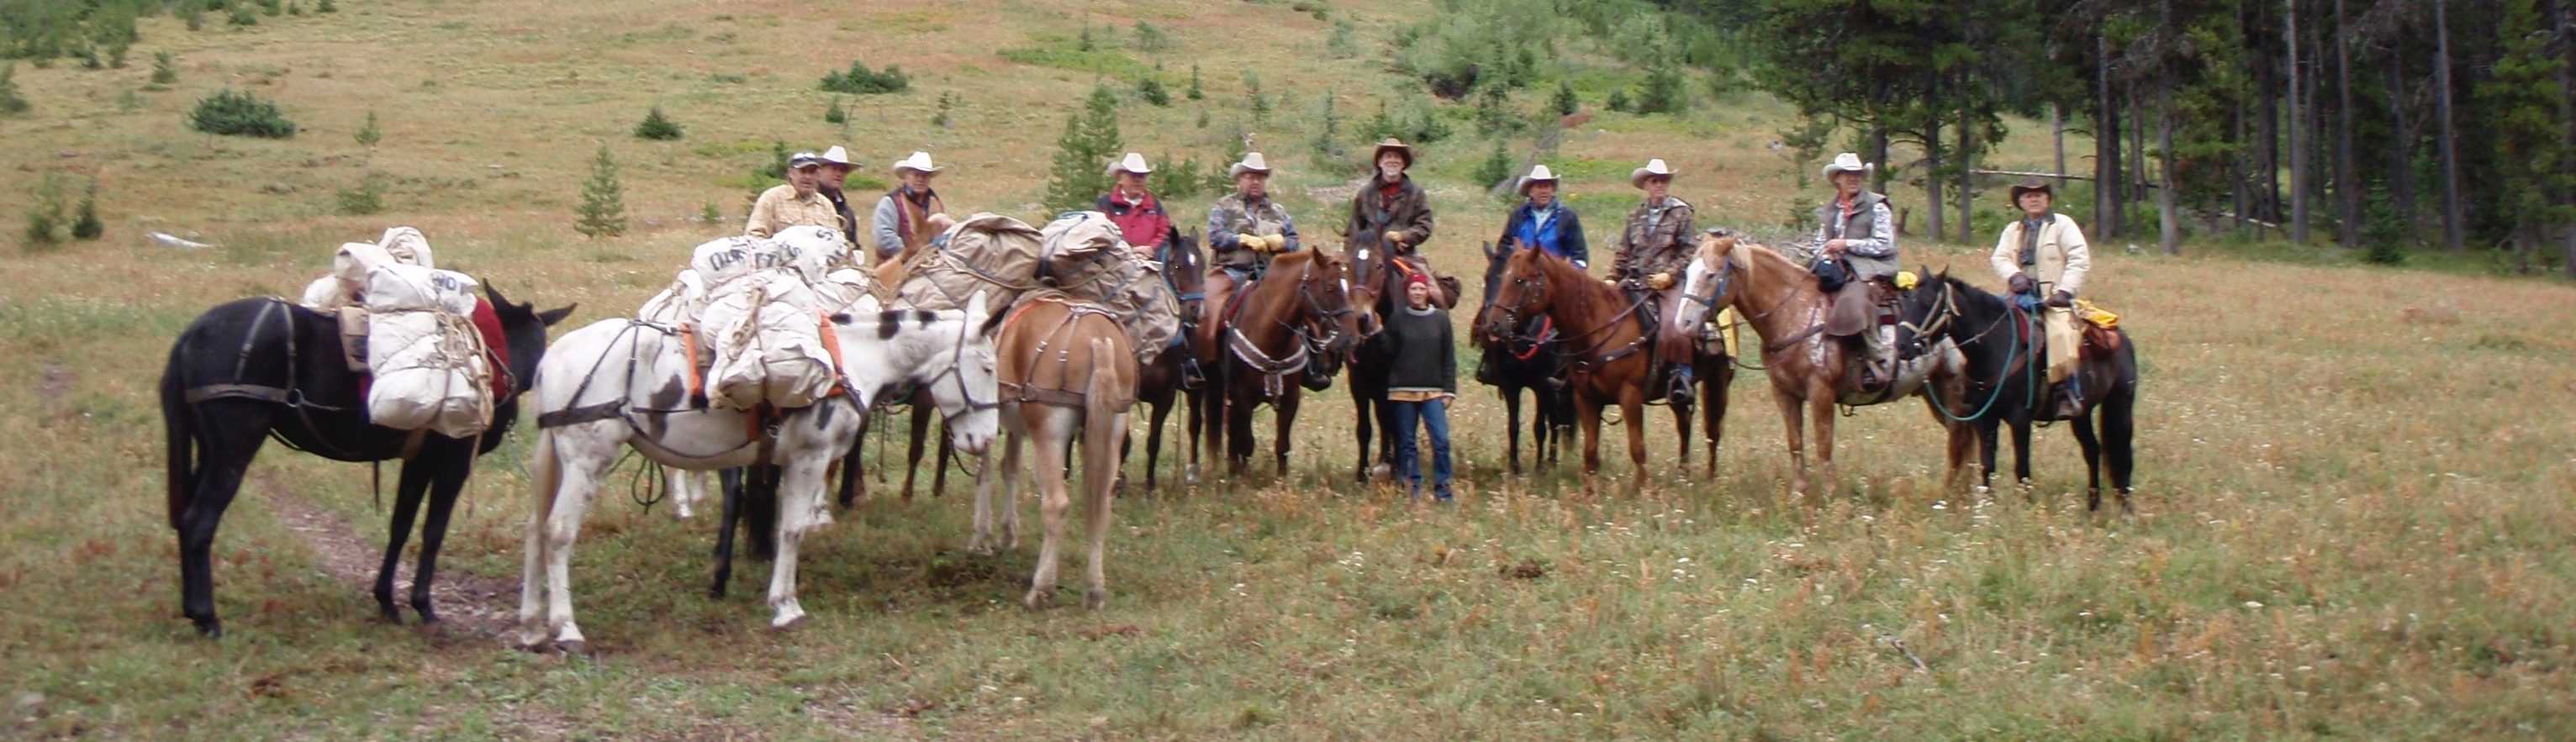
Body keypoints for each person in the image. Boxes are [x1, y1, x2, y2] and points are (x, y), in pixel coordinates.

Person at [1989, 176, 2093, 418]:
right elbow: (2000, 258)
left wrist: (2065, 292)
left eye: (2038, 195)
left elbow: (2079, 258)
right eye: (2028, 196)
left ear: (2047, 199)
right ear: (2020, 202)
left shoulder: (2063, 225)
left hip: (2052, 301)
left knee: (2061, 335)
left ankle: (2067, 391)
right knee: (1988, 327)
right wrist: (2015, 276)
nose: (2033, 199)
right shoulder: (2012, 230)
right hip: (2019, 297)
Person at [1611, 158, 1698, 404]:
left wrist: (1670, 275)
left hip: (1668, 283)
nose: (1659, 185)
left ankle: (1681, 376)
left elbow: (1690, 249)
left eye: (1663, 181)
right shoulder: (1635, 215)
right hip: (1635, 280)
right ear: (1646, 185)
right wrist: (1611, 278)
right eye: (1654, 181)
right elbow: (1624, 251)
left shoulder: (1682, 213)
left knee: (1675, 325)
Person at [1812, 152, 1899, 388]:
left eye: (1857, 174)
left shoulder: (1877, 206)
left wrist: (1847, 245)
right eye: (1848, 174)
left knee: (1853, 300)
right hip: (1838, 267)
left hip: (1871, 266)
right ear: (1837, 179)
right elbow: (1819, 242)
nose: (1853, 179)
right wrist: (1825, 253)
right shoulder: (1831, 209)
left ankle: (1878, 356)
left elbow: (1885, 244)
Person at [1200, 152, 1300, 355]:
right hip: (1231, 271)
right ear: (1239, 179)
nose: (1256, 182)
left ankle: (1311, 364)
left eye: (1260, 177)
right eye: (1250, 177)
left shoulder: (1278, 211)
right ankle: (1203, 360)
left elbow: (1294, 242)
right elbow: (1215, 236)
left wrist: (1281, 243)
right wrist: (1241, 240)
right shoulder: (1224, 206)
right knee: (1208, 306)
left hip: (1271, 274)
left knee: (1301, 304)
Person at [1378, 271, 1455, 502]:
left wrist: (1449, 390)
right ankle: (1412, 489)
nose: (1418, 293)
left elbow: (1449, 357)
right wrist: (1376, 333)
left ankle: (1443, 490)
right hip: (1403, 392)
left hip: (1433, 392)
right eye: (1413, 289)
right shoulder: (1397, 319)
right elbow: (1388, 353)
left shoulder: (1441, 319)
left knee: (1441, 441)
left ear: (1428, 292)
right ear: (1407, 292)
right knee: (1407, 443)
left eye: (1421, 289)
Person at [1345, 138, 1440, 302]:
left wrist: (1404, 236)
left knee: (1433, 293)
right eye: (1388, 156)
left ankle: (1436, 321)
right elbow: (1353, 228)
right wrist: (1349, 255)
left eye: (1397, 157)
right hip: (1368, 259)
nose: (1393, 160)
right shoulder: (1365, 193)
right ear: (1380, 162)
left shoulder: (1416, 193)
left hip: (1402, 255)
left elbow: (1425, 224)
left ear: (1403, 163)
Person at [1497, 165, 1586, 269]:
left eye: (1547, 186)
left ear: (1552, 190)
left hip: (1554, 278)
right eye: (1539, 187)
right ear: (1531, 192)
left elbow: (1580, 255)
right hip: (1522, 275)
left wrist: (1569, 275)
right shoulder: (1518, 215)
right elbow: (1505, 247)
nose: (1544, 191)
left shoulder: (1567, 217)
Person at [872, 150, 948, 264]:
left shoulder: (936, 204)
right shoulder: (890, 203)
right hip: (894, 266)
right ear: (907, 176)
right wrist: (911, 253)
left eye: (925, 176)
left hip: (930, 266)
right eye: (916, 175)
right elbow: (884, 239)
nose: (920, 179)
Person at [745, 151, 841, 239]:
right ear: (791, 174)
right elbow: (754, 236)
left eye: (812, 172)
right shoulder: (772, 198)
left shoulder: (826, 205)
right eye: (803, 171)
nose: (808, 177)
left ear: (818, 175)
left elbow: (837, 239)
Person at [1096, 152, 1171, 258]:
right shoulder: (1105, 204)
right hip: (1116, 264)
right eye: (1133, 176)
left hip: (1152, 261)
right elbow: (1102, 235)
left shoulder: (1155, 205)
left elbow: (1165, 232)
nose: (1138, 180)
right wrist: (1130, 250)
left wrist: (1151, 249)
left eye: (1141, 176)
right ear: (1120, 179)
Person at [815, 146, 861, 247]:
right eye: (834, 169)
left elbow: (853, 244)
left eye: (843, 170)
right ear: (819, 172)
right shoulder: (809, 202)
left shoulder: (847, 212)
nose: (839, 174)